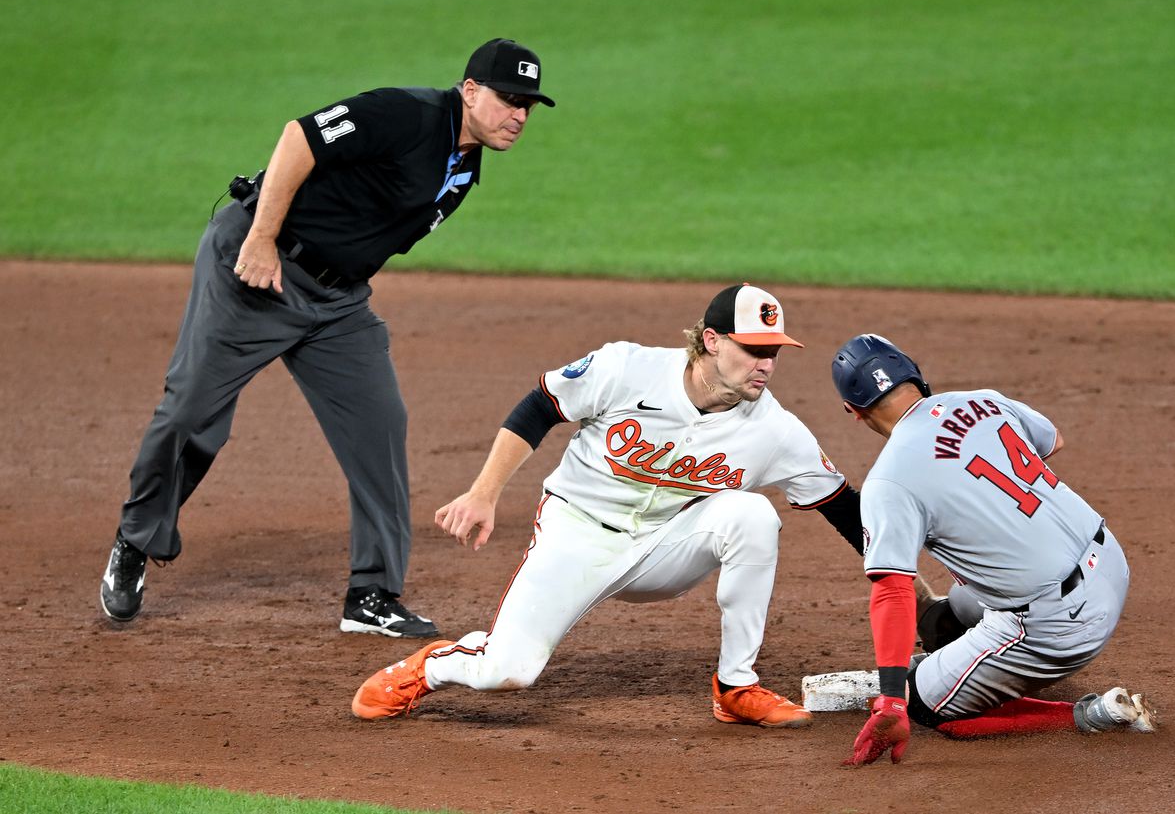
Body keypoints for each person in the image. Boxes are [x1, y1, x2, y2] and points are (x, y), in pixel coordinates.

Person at [99, 38, 556, 638]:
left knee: (380, 424)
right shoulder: (406, 114)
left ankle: (372, 594)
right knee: (191, 412)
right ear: (470, 92)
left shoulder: (466, 166)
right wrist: (261, 238)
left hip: (337, 302)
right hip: (257, 271)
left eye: (529, 105)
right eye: (509, 99)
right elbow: (300, 138)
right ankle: (136, 541)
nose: (519, 115)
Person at [351, 283, 868, 727]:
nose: (766, 364)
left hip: (666, 548)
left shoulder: (775, 429)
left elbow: (845, 509)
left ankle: (736, 687)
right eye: (754, 349)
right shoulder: (628, 368)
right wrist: (484, 493)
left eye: (774, 352)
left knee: (753, 515)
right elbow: (541, 405)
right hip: (577, 531)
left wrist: (910, 595)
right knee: (507, 673)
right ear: (711, 341)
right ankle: (431, 667)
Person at [829, 333, 1158, 766]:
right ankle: (971, 650)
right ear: (915, 375)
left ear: (853, 411)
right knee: (946, 618)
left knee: (924, 705)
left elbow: (891, 591)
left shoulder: (888, 481)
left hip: (1058, 623)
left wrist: (891, 699)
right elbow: (1050, 441)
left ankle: (1092, 715)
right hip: (1111, 562)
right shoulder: (983, 399)